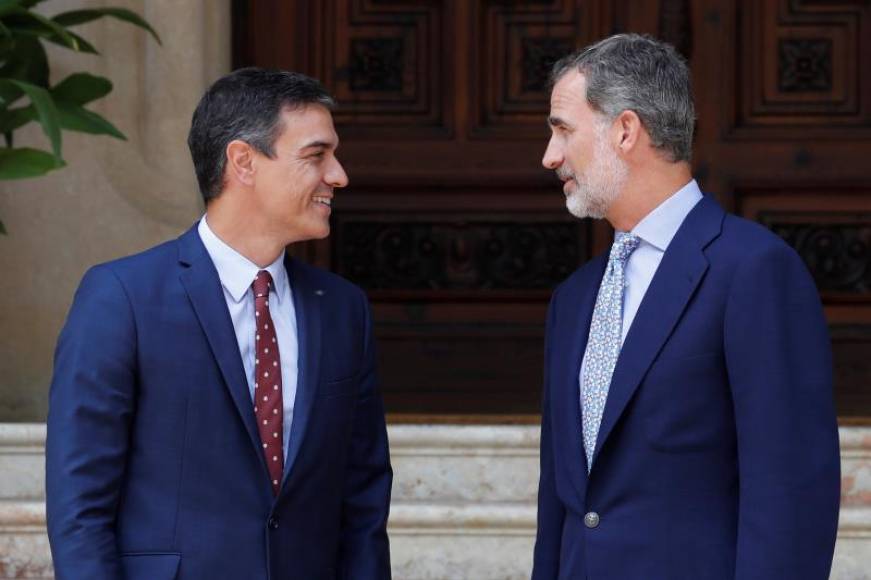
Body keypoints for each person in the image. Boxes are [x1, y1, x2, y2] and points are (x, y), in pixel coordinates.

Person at [46, 68, 392, 580]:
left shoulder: (342, 309)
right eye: (316, 156)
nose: (338, 175)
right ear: (243, 162)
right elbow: (80, 506)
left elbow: (363, 500)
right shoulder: (121, 297)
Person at [533, 34, 840, 579]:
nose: (550, 156)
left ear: (625, 130)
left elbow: (789, 495)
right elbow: (562, 507)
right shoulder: (574, 297)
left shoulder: (754, 270)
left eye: (563, 130)